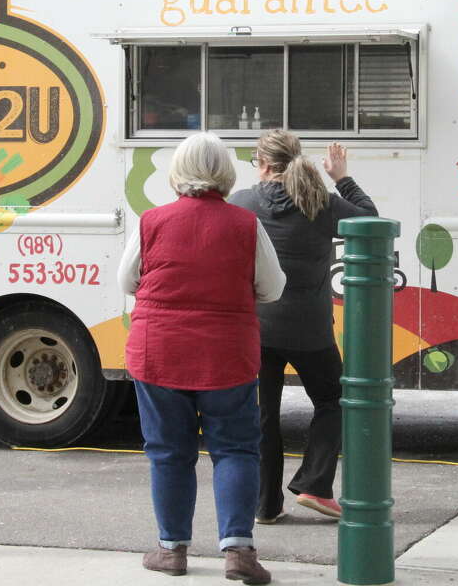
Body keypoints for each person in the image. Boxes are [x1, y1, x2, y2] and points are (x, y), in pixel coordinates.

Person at [117, 132, 286, 583]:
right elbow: (273, 287)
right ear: (225, 174)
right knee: (234, 449)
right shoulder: (245, 224)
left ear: (177, 172)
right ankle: (239, 552)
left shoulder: (151, 221)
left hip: (160, 349)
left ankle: (171, 549)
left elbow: (127, 281)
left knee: (169, 452)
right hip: (226, 351)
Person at [229, 129, 378, 524]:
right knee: (334, 401)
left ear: (262, 164)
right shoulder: (321, 202)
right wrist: (341, 178)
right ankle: (314, 483)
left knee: (263, 415)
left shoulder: (241, 203)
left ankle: (264, 506)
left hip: (256, 328)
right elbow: (371, 221)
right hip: (310, 329)